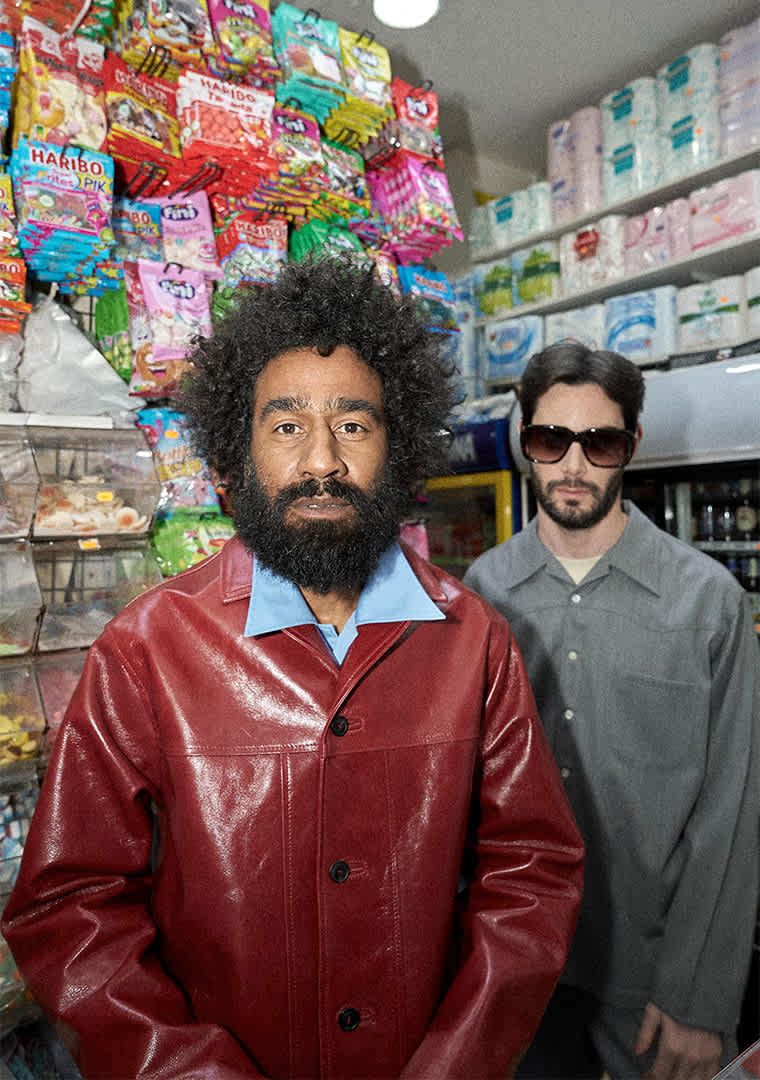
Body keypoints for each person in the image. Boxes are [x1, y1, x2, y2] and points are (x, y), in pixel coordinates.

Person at [3, 259, 584, 1080]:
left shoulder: (474, 640)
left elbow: (532, 873)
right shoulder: (147, 648)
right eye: (285, 426)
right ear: (237, 454)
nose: (321, 461)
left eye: (354, 425)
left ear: (397, 448)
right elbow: (70, 907)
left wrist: (454, 1064)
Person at [464, 341, 760, 1080]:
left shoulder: (708, 603)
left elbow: (732, 812)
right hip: (520, 966)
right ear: (524, 442)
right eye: (550, 439)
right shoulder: (482, 593)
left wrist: (700, 999)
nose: (572, 465)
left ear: (631, 445)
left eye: (598, 442)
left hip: (655, 980)